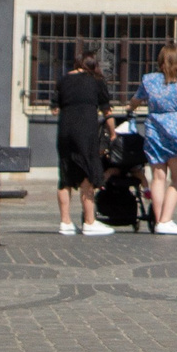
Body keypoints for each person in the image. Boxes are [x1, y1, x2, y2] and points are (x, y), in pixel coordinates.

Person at [136, 44, 177, 235]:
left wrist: (130, 109)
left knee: (158, 177)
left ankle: (158, 221)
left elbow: (136, 99)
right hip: (173, 128)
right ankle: (166, 219)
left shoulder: (148, 79)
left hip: (153, 127)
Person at [53, 49, 117, 237]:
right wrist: (112, 133)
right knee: (88, 173)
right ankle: (89, 221)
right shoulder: (96, 81)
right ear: (92, 65)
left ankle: (65, 222)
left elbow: (55, 109)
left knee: (65, 175)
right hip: (85, 131)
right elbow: (107, 111)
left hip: (64, 131)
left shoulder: (63, 80)